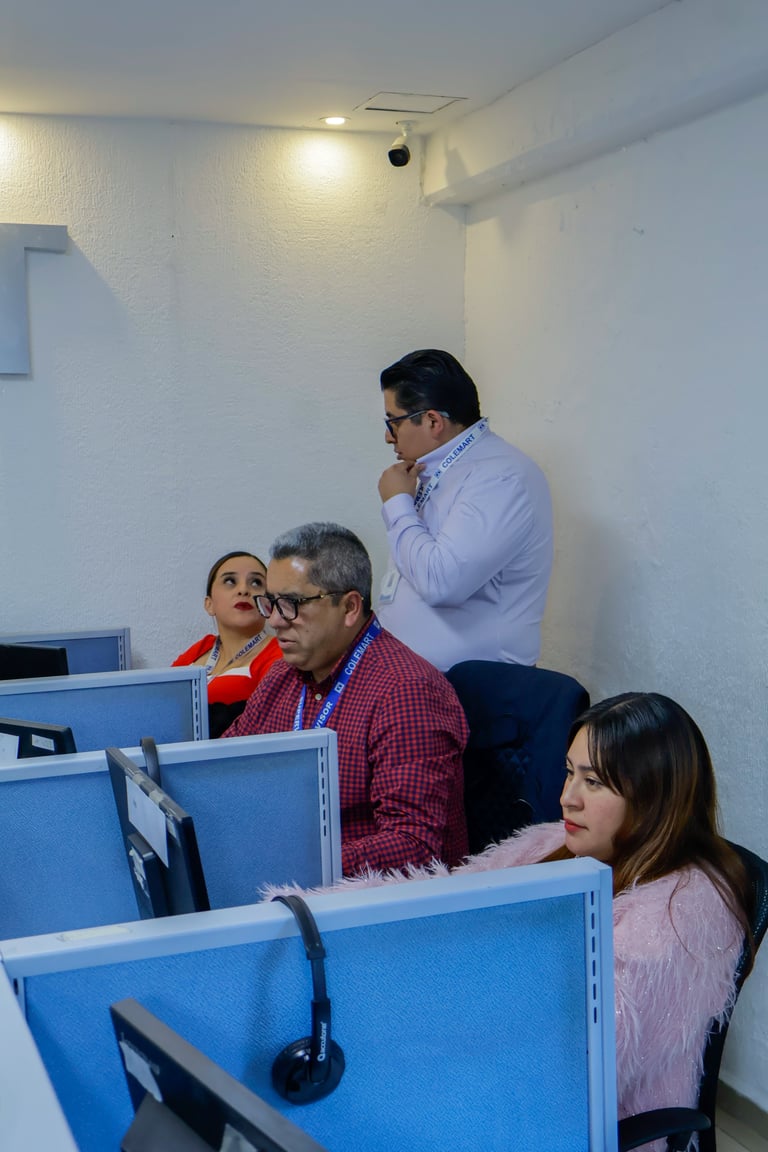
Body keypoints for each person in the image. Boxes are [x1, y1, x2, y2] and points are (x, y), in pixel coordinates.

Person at [269, 692, 753, 1137]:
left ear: (655, 799)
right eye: (569, 772)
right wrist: (328, 911)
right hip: (498, 1073)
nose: (568, 797)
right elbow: (452, 895)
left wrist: (439, 1020)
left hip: (565, 1121)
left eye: (594, 782)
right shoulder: (555, 844)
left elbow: (579, 1059)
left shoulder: (680, 914)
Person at [222, 522, 469, 875]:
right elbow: (226, 768)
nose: (275, 621)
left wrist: (294, 862)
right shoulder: (282, 676)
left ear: (350, 607)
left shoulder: (406, 692)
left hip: (364, 904)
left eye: (290, 604)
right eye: (271, 603)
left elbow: (414, 846)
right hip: (281, 877)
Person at [376, 348, 553, 671]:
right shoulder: (434, 471)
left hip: (476, 690)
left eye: (394, 422)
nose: (388, 437)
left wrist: (398, 504)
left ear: (433, 421)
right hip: (421, 681)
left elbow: (441, 584)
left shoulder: (501, 476)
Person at [173, 551, 281, 738]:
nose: (244, 590)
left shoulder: (278, 655)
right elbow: (159, 701)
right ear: (209, 604)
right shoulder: (201, 648)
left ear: (268, 603)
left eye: (256, 582)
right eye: (230, 581)